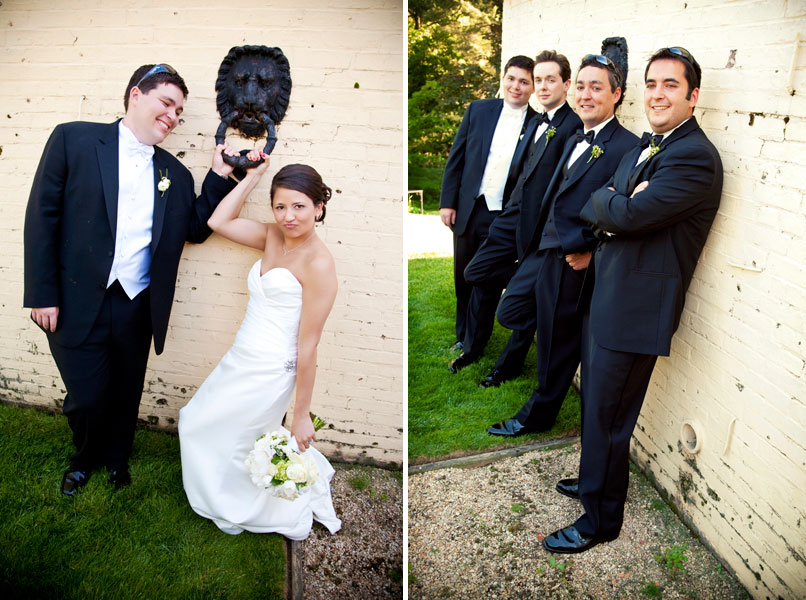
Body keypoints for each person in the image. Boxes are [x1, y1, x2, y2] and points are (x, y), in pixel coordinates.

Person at [23, 63, 237, 496]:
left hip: (138, 304)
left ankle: (118, 459)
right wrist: (42, 294)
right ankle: (84, 458)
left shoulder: (174, 175)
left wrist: (218, 175)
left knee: (126, 389)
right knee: (86, 394)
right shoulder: (74, 139)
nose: (174, 116)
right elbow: (42, 217)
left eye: (179, 111)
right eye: (167, 103)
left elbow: (195, 229)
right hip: (75, 297)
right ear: (136, 95)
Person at [543, 47, 723, 553]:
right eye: (652, 83)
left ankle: (600, 522)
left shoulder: (693, 156)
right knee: (596, 404)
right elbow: (607, 204)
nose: (658, 93)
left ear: (692, 95)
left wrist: (615, 204)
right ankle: (592, 481)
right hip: (610, 296)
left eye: (671, 84)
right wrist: (617, 202)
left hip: (636, 311)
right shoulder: (651, 145)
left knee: (609, 417)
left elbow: (614, 212)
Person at [178, 154, 341, 539]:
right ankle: (222, 492)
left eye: (299, 206)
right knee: (198, 421)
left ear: (318, 208)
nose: (288, 216)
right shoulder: (271, 236)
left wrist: (300, 415)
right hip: (241, 357)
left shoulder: (319, 264)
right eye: (280, 206)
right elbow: (217, 222)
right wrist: (253, 176)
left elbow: (310, 345)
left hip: (271, 370)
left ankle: (253, 503)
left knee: (231, 436)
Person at [487, 52, 639, 437]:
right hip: (544, 249)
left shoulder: (626, 146)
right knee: (512, 310)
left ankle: (535, 416)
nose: (586, 95)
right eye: (583, 86)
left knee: (555, 346)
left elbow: (627, 211)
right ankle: (563, 342)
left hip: (573, 257)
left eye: (597, 88)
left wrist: (593, 251)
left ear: (616, 94)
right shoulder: (573, 135)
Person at [461, 50, 582, 387]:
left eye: (550, 80)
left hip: (538, 229)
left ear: (565, 84)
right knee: (476, 271)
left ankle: (507, 365)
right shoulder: (536, 121)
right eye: (538, 80)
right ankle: (478, 338)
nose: (542, 87)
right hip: (511, 218)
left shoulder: (571, 127)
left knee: (528, 301)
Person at [439, 55, 536, 368]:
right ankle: (462, 332)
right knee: (462, 274)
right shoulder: (478, 110)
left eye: (524, 81)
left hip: (503, 215)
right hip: (470, 207)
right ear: (502, 78)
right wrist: (447, 201)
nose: (516, 86)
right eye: (511, 78)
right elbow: (457, 157)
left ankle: (475, 341)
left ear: (532, 87)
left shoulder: (537, 123)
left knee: (487, 277)